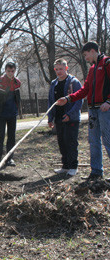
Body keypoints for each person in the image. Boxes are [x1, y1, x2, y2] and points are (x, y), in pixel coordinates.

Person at [57, 41, 110, 180]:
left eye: (86, 55)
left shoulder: (107, 63)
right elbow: (85, 90)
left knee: (108, 140)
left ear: (92, 51)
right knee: (93, 141)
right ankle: (96, 172)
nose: (85, 58)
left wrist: (109, 101)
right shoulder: (92, 69)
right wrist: (68, 98)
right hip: (92, 110)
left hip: (105, 109)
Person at [48, 58, 83, 176]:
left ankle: (73, 166)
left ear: (66, 68)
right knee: (62, 142)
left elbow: (79, 101)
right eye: (57, 69)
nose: (59, 71)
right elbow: (51, 101)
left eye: (61, 69)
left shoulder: (74, 82)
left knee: (71, 142)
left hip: (71, 118)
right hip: (59, 118)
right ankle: (65, 166)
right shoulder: (54, 83)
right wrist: (50, 118)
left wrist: (70, 114)